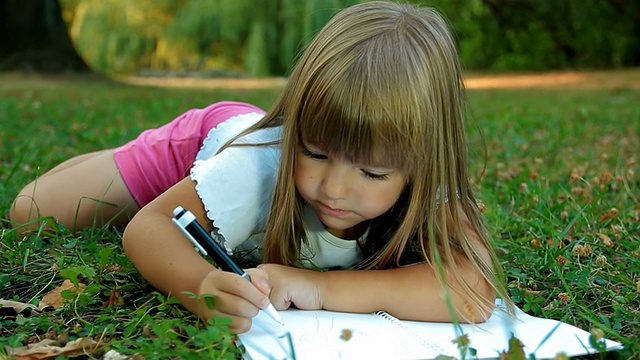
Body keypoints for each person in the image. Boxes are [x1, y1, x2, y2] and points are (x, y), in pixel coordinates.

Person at [10, 1, 513, 333]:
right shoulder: (258, 167)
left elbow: (469, 293)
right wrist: (201, 287)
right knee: (30, 212)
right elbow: (150, 227)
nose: (334, 187)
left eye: (374, 174)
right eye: (315, 153)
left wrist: (319, 287)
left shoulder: (432, 185)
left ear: (423, 164)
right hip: (199, 148)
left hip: (231, 170)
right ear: (297, 130)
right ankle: (121, 162)